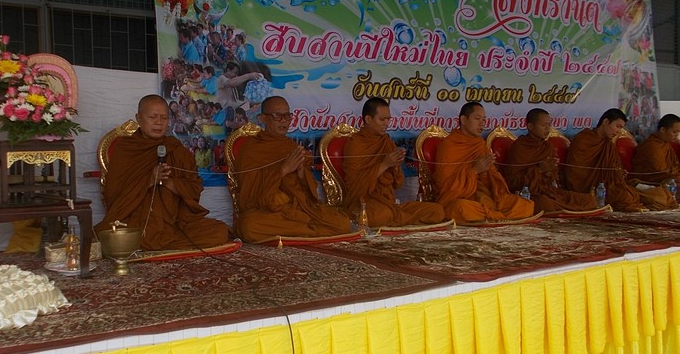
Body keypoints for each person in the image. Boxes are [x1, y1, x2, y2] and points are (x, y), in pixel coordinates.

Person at [94, 94, 230, 250]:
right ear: (139, 118)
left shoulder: (177, 149)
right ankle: (151, 242)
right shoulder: (126, 149)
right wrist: (149, 180)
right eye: (152, 117)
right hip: (136, 220)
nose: (158, 122)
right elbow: (113, 196)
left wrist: (171, 183)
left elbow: (194, 189)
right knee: (122, 234)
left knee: (219, 231)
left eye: (164, 118)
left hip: (175, 223)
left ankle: (151, 243)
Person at [234, 96, 351, 242]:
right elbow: (249, 198)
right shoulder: (251, 150)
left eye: (287, 115)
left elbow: (310, 196)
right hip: (268, 212)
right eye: (277, 115)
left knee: (343, 222)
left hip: (298, 210)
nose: (284, 120)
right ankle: (311, 231)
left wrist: (301, 172)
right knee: (249, 226)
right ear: (263, 118)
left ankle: (304, 230)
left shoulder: (291, 147)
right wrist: (283, 170)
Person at [342, 97, 447, 227]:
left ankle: (398, 217)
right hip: (364, 204)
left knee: (437, 211)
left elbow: (398, 183)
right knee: (380, 215)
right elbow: (355, 186)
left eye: (388, 119)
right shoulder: (355, 144)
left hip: (388, 204)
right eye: (382, 119)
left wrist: (396, 165)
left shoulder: (386, 141)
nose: (386, 123)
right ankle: (398, 217)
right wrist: (385, 164)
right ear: (368, 119)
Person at [433, 102, 535, 223]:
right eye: (477, 119)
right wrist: (475, 170)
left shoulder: (480, 144)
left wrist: (487, 172)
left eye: (484, 119)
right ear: (463, 120)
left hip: (485, 198)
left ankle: (491, 215)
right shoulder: (449, 146)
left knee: (526, 205)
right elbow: (446, 188)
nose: (482, 123)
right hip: (460, 199)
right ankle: (497, 215)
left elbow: (493, 182)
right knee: (460, 208)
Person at [563, 108, 673, 211]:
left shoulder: (608, 144)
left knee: (659, 194)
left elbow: (614, 168)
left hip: (609, 187)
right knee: (626, 198)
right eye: (617, 126)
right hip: (588, 189)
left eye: (621, 128)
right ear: (606, 122)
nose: (618, 131)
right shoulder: (583, 139)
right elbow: (576, 173)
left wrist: (618, 173)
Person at [501, 108, 599, 212]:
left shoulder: (548, 146)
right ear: (530, 126)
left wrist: (549, 172)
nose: (548, 129)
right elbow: (512, 182)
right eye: (544, 125)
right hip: (528, 194)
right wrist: (539, 170)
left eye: (549, 125)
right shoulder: (520, 147)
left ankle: (562, 209)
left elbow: (553, 178)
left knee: (589, 200)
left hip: (548, 192)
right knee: (545, 204)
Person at [630, 113, 680, 185]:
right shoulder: (652, 146)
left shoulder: (665, 143)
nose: (677, 135)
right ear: (663, 130)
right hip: (650, 181)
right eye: (674, 132)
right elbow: (661, 172)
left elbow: (674, 166)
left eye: (678, 132)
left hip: (669, 177)